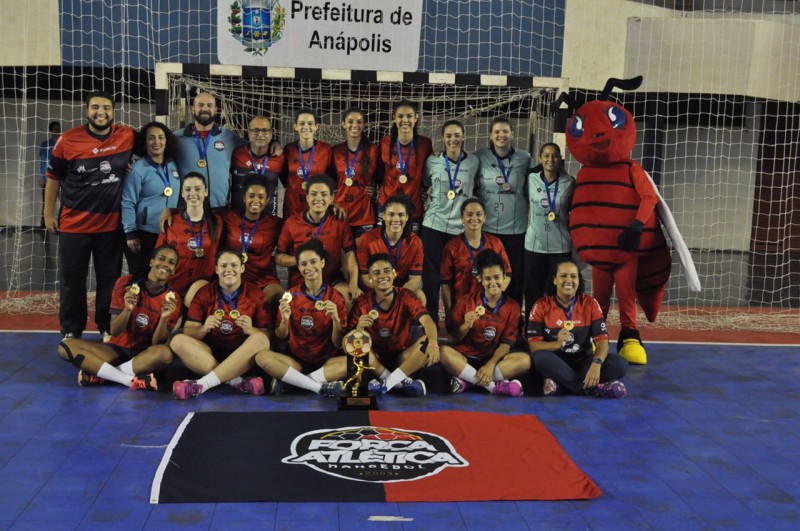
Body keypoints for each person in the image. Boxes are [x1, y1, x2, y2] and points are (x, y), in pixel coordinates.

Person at [44, 91, 135, 340]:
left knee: (110, 280)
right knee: (72, 280)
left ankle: (106, 326)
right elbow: (53, 178)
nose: (100, 112)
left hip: (110, 226)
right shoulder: (68, 139)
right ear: (87, 111)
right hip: (75, 226)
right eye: (95, 107)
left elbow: (154, 146)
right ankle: (72, 329)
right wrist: (48, 214)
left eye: (106, 107)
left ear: (113, 111)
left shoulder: (126, 136)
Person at [56, 245, 181, 391]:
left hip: (144, 356)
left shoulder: (174, 300)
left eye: (171, 262)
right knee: (65, 346)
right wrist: (128, 309)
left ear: (174, 270)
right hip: (116, 349)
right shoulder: (125, 283)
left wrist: (164, 318)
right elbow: (114, 331)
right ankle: (127, 380)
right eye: (162, 259)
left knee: (165, 354)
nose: (166, 264)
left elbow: (157, 343)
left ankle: (102, 374)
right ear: (151, 262)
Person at [170, 248, 271, 400]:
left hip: (242, 357)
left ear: (242, 268)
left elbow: (269, 336)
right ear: (216, 269)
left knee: (260, 339)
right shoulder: (204, 292)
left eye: (234, 265)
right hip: (208, 355)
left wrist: (251, 330)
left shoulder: (256, 294)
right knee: (177, 341)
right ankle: (236, 381)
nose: (229, 270)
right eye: (223, 266)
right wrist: (203, 328)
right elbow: (189, 331)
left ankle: (202, 384)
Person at [255, 239, 346, 397]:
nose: (309, 267)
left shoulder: (336, 297)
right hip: (296, 362)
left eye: (313, 262)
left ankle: (295, 384)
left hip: (326, 362)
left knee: (356, 362)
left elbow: (337, 343)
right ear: (298, 267)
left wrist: (336, 320)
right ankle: (316, 386)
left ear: (322, 263)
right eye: (303, 264)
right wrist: (284, 319)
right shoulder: (290, 296)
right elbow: (281, 337)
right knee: (261, 357)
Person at [527, 260, 628, 397]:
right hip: (556, 362)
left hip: (583, 362)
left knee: (620, 363)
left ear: (579, 281)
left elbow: (602, 342)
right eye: (563, 276)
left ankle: (562, 386)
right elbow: (534, 346)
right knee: (539, 357)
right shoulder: (541, 305)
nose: (569, 280)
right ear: (554, 280)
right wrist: (556, 344)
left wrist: (596, 364)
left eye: (573, 276)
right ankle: (592, 388)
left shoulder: (590, 304)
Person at [440, 249, 529, 396]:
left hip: (493, 361)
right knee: (443, 352)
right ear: (480, 279)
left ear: (504, 277)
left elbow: (506, 344)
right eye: (488, 279)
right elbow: (452, 338)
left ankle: (468, 381)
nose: (493, 283)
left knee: (525, 360)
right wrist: (465, 326)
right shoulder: (466, 301)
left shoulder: (513, 307)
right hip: (465, 359)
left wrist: (490, 364)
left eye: (497, 277)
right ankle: (493, 387)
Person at [349, 253, 440, 397]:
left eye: (386, 271)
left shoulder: (406, 296)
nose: (383, 275)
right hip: (375, 360)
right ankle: (398, 383)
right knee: (354, 342)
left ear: (394, 273)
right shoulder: (362, 303)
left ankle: (387, 384)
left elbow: (427, 321)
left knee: (429, 339)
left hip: (402, 358)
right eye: (376, 273)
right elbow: (347, 343)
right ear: (370, 279)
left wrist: (434, 343)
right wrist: (359, 329)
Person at [421, 119, 479, 321]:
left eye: (456, 135)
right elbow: (425, 184)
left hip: (459, 229)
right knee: (431, 278)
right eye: (448, 136)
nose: (453, 140)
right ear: (442, 138)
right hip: (433, 225)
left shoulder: (474, 162)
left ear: (464, 137)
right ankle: (431, 322)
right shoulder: (432, 161)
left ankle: (458, 320)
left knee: (458, 278)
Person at [275, 175, 361, 305]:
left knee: (350, 299)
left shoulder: (339, 223)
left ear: (331, 199)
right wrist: (303, 261)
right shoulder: (292, 223)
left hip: (332, 280)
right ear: (308, 198)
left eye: (324, 194)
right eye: (314, 194)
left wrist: (353, 283)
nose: (319, 198)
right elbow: (278, 257)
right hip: (302, 281)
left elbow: (350, 254)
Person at [474, 117, 532, 305]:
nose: (501, 135)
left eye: (505, 131)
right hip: (489, 228)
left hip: (516, 229)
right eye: (497, 132)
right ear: (491, 135)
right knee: (487, 275)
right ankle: (485, 316)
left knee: (514, 276)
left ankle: (513, 319)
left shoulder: (525, 158)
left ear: (512, 134)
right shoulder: (480, 156)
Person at [122, 121, 181, 278]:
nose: (157, 142)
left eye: (161, 137)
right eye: (151, 138)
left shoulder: (173, 165)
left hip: (169, 232)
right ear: (145, 142)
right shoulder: (138, 168)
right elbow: (128, 201)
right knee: (141, 277)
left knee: (164, 277)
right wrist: (130, 233)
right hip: (144, 234)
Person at [523, 143, 575, 318]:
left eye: (554, 156)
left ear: (560, 159)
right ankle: (532, 329)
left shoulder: (569, 182)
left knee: (558, 292)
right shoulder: (530, 179)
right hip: (534, 245)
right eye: (546, 155)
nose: (550, 159)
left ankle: (556, 327)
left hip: (559, 247)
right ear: (540, 158)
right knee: (532, 292)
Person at [440, 197, 511, 323]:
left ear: (484, 217)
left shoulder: (495, 243)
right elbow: (445, 283)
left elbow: (508, 274)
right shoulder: (452, 247)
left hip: (491, 306)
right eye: (469, 214)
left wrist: (495, 295)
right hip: (463, 307)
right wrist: (449, 311)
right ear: (462, 218)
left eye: (479, 214)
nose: (474, 218)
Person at [156, 172, 222, 304]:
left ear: (206, 192)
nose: (192, 193)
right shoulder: (170, 221)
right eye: (187, 189)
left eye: (198, 189)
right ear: (182, 193)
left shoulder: (217, 222)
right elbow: (158, 254)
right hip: (172, 284)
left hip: (200, 285)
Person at [173, 92, 245, 208]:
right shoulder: (176, 138)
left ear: (215, 110)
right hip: (188, 209)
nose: (205, 108)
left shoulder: (228, 136)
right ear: (193, 109)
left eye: (209, 105)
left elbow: (254, 148)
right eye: (200, 105)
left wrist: (274, 143)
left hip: (219, 209)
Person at [219, 173, 283, 302]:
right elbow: (202, 214)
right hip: (232, 277)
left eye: (261, 197)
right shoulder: (228, 217)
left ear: (267, 201)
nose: (255, 201)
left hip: (263, 280)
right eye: (251, 196)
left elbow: (298, 225)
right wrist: (170, 210)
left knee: (280, 300)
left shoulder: (276, 224)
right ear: (244, 198)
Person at [356, 194, 424, 302]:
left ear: (407, 217)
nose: (396, 219)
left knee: (420, 297)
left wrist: (395, 295)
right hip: (374, 289)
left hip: (400, 290)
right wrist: (384, 291)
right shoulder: (367, 239)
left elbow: (415, 280)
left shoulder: (416, 242)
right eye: (391, 214)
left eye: (401, 215)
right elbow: (364, 277)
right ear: (383, 216)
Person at [377, 100, 432, 232]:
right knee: (385, 246)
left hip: (413, 207)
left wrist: (423, 190)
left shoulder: (425, 144)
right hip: (387, 205)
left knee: (410, 247)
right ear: (394, 119)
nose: (405, 120)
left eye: (409, 116)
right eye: (400, 116)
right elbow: (378, 173)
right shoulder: (385, 142)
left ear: (416, 118)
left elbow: (428, 172)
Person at [331, 107, 379, 240]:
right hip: (341, 212)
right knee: (341, 257)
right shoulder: (335, 151)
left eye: (359, 122)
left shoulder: (374, 151)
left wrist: (376, 191)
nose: (354, 125)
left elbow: (383, 177)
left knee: (363, 256)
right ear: (343, 124)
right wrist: (331, 201)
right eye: (350, 121)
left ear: (364, 125)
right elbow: (328, 180)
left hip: (364, 214)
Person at [282, 109, 333, 219]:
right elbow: (284, 178)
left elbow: (333, 178)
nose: (306, 127)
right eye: (302, 123)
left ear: (316, 126)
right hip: (292, 208)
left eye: (310, 123)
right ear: (295, 126)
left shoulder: (326, 149)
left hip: (317, 207)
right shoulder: (288, 149)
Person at [230, 115, 285, 214]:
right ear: (248, 132)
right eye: (255, 130)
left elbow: (290, 184)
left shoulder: (280, 158)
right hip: (237, 221)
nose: (260, 134)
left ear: (271, 133)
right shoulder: (236, 153)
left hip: (268, 221)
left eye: (265, 130)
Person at [39, 121, 60, 189]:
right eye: (55, 128)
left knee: (63, 199)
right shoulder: (45, 145)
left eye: (58, 128)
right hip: (48, 178)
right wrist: (41, 178)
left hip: (61, 178)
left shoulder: (64, 143)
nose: (57, 130)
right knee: (47, 199)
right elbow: (42, 162)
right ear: (50, 130)